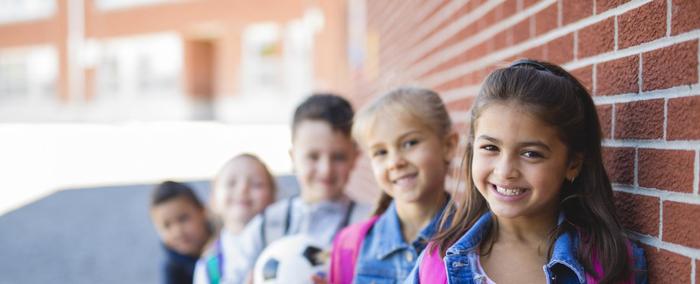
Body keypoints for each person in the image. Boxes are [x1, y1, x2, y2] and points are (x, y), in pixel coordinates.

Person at [406, 59, 648, 284]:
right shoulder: (437, 261)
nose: (505, 171)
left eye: (531, 153)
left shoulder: (611, 263)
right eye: (490, 147)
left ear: (572, 163)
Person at [226, 94, 372, 283]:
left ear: (355, 157)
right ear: (293, 157)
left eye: (338, 157)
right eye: (313, 156)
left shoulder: (368, 225)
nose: (325, 169)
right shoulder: (267, 225)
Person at [328, 87, 457, 284]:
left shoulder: (476, 244)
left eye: (410, 143)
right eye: (380, 152)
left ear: (448, 146)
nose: (395, 162)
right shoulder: (349, 246)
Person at [193, 154, 277, 284]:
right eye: (231, 183)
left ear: (273, 198)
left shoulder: (282, 246)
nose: (243, 189)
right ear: (214, 200)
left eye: (256, 184)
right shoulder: (208, 267)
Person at [150, 181, 212, 284]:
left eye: (183, 219)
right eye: (167, 225)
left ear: (202, 211)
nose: (178, 231)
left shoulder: (225, 242)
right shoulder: (172, 269)